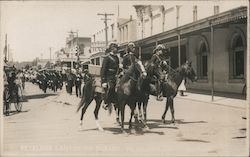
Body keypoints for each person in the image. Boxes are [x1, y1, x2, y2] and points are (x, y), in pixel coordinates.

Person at [100, 43, 120, 110]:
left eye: (117, 48)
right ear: (112, 48)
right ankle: (106, 102)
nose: (116, 49)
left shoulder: (117, 57)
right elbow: (103, 69)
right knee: (111, 88)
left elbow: (117, 67)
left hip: (115, 76)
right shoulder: (107, 57)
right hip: (108, 77)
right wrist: (103, 81)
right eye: (115, 48)